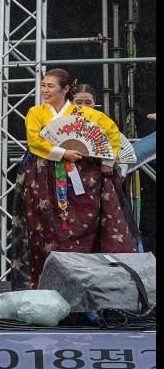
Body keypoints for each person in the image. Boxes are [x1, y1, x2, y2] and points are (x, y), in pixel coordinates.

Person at [8, 69, 137, 290]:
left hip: (83, 179)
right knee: (43, 229)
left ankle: (87, 287)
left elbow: (111, 132)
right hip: (44, 177)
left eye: (50, 86)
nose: (45, 90)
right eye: (43, 85)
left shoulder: (84, 114)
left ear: (66, 89)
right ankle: (45, 287)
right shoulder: (36, 113)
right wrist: (62, 153)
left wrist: (108, 160)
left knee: (83, 227)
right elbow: (35, 142)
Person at [62, 83, 143, 252]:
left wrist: (108, 162)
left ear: (94, 103)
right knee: (71, 222)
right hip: (68, 181)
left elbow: (116, 147)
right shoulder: (63, 121)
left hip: (98, 181)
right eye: (78, 102)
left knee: (105, 220)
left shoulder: (103, 122)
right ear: (71, 102)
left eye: (88, 102)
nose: (83, 106)